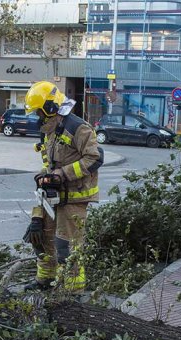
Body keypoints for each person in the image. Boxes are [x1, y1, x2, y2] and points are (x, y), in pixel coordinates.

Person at [22, 81, 103, 292]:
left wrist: (63, 174)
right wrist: (43, 176)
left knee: (67, 245)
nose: (37, 119)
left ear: (49, 108)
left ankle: (72, 290)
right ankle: (45, 280)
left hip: (75, 197)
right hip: (52, 195)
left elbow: (94, 158)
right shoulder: (50, 130)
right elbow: (49, 162)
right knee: (40, 237)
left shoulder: (78, 128)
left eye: (39, 113)